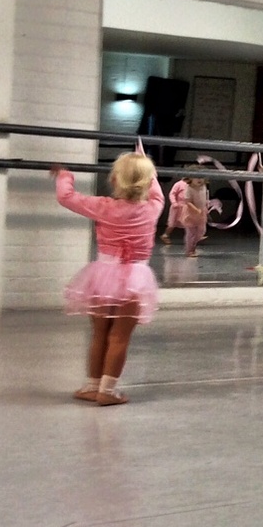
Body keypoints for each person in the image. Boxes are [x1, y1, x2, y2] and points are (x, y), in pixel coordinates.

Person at [52, 153, 164, 406]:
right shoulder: (152, 209)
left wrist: (64, 175)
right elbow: (158, 194)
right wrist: (150, 171)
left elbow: (66, 197)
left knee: (99, 334)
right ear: (146, 183)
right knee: (120, 337)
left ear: (114, 180)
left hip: (103, 277)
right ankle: (108, 390)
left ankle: (91, 386)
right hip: (135, 279)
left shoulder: (103, 206)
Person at [160, 172, 210, 257]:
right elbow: (185, 200)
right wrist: (174, 202)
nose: (199, 179)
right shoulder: (186, 187)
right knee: (175, 225)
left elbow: (205, 197)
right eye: (197, 177)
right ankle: (189, 250)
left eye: (201, 177)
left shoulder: (203, 187)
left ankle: (194, 243)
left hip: (200, 212)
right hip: (186, 210)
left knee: (201, 231)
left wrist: (206, 205)